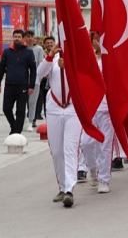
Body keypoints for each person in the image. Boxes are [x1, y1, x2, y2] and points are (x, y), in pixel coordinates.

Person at [36, 42, 80, 207]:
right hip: (54, 109)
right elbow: (40, 73)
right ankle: (62, 187)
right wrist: (50, 56)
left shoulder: (78, 59)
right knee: (57, 151)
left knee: (70, 149)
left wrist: (68, 66)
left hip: (73, 110)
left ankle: (69, 190)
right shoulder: (53, 59)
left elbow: (85, 77)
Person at [80, 35, 114, 194]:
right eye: (96, 38)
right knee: (86, 143)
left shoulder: (112, 59)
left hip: (108, 110)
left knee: (105, 146)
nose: (99, 41)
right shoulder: (88, 60)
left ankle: (104, 179)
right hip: (91, 108)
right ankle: (93, 169)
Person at [0, 29, 36, 134]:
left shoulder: (28, 52)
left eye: (19, 37)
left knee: (20, 110)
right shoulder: (7, 52)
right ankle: (14, 126)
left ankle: (17, 132)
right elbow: (1, 68)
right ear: (13, 38)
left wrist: (31, 86)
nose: (17, 39)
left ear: (23, 39)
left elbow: (33, 69)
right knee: (6, 108)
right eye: (15, 37)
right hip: (9, 84)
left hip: (22, 85)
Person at [25, 30, 44, 131]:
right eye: (28, 36)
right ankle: (24, 119)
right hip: (23, 78)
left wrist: (39, 78)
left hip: (35, 78)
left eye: (32, 36)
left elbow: (41, 63)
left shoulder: (39, 49)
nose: (30, 38)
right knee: (22, 101)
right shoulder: (22, 49)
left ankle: (31, 121)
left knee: (32, 102)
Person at [35, 36, 55, 121]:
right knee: (43, 99)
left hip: (53, 81)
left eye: (51, 43)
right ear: (44, 44)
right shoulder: (42, 53)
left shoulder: (58, 54)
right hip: (43, 80)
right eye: (48, 43)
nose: (50, 44)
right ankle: (46, 117)